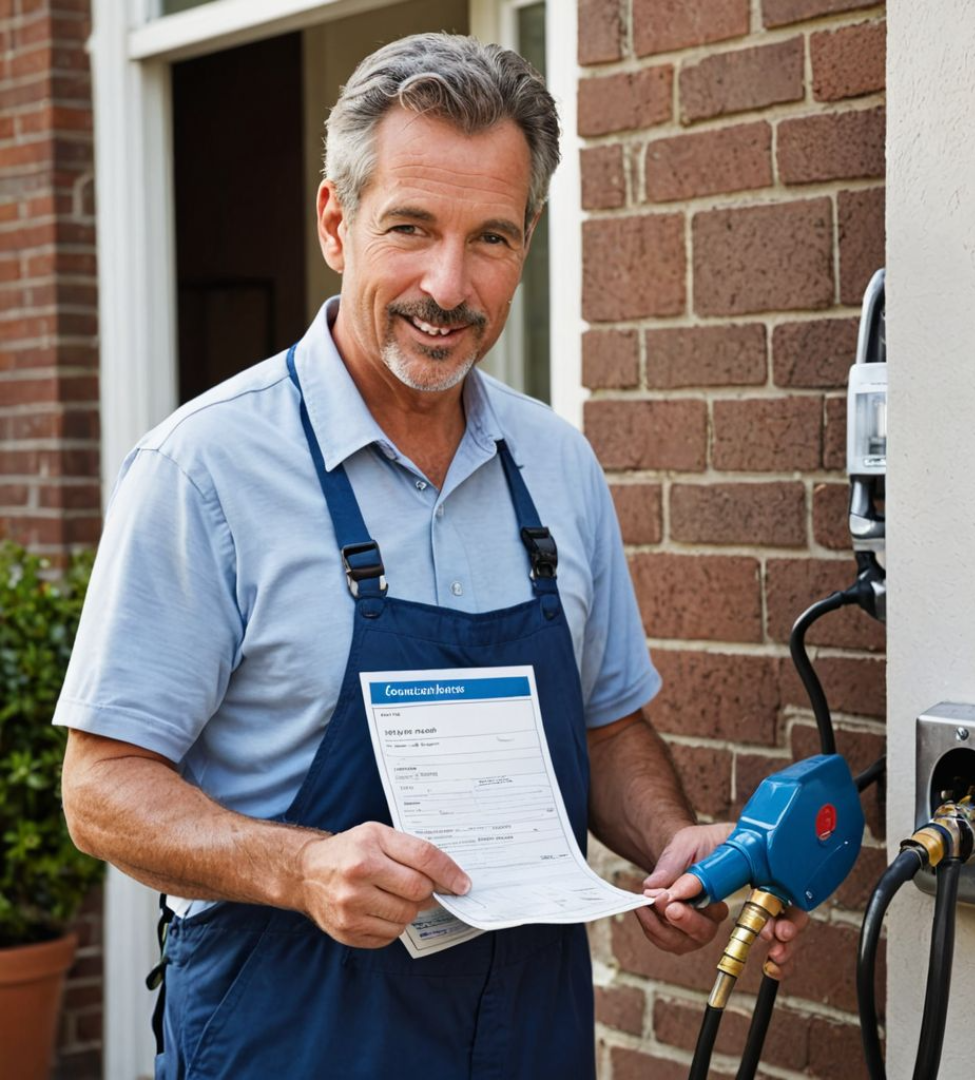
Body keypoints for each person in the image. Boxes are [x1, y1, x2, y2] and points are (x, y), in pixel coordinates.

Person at [57, 33, 805, 1079]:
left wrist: (669, 841)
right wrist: (302, 866)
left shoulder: (557, 465)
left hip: (526, 1034)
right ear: (336, 222)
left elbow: (602, 721)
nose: (447, 286)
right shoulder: (206, 470)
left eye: (489, 238)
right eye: (410, 227)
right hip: (292, 1033)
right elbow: (100, 788)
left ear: (528, 240)